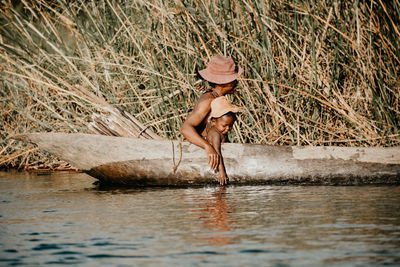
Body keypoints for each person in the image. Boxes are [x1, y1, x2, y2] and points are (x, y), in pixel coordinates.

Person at [180, 55, 242, 170]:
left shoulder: (218, 98)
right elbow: (185, 128)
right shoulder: (208, 100)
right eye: (234, 80)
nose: (236, 82)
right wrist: (207, 147)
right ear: (223, 83)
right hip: (202, 152)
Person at [206, 96, 239, 185]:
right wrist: (222, 172)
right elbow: (217, 152)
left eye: (231, 125)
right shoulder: (215, 133)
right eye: (224, 125)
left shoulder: (220, 129)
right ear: (213, 122)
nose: (228, 128)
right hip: (220, 162)